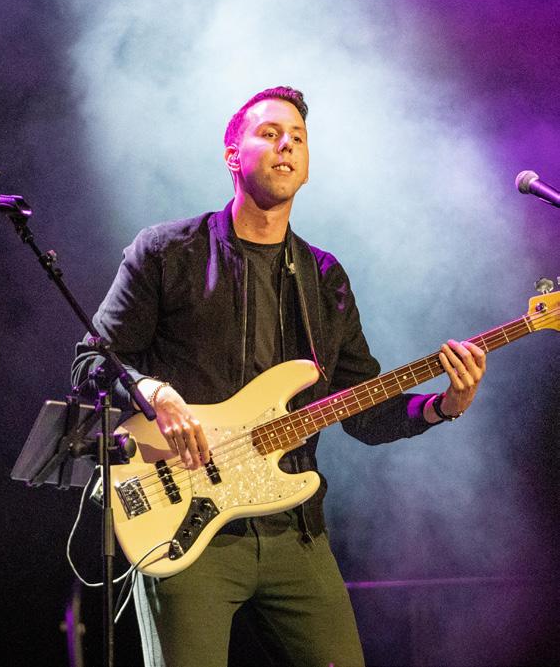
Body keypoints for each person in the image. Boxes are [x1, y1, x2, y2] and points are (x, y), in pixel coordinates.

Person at [71, 86, 486, 667]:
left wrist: (443, 406)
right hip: (185, 525)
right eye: (269, 133)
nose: (286, 144)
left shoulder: (324, 277)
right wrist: (152, 391)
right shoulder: (167, 252)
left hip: (294, 530)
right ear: (232, 154)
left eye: (298, 137)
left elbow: (363, 410)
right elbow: (92, 363)